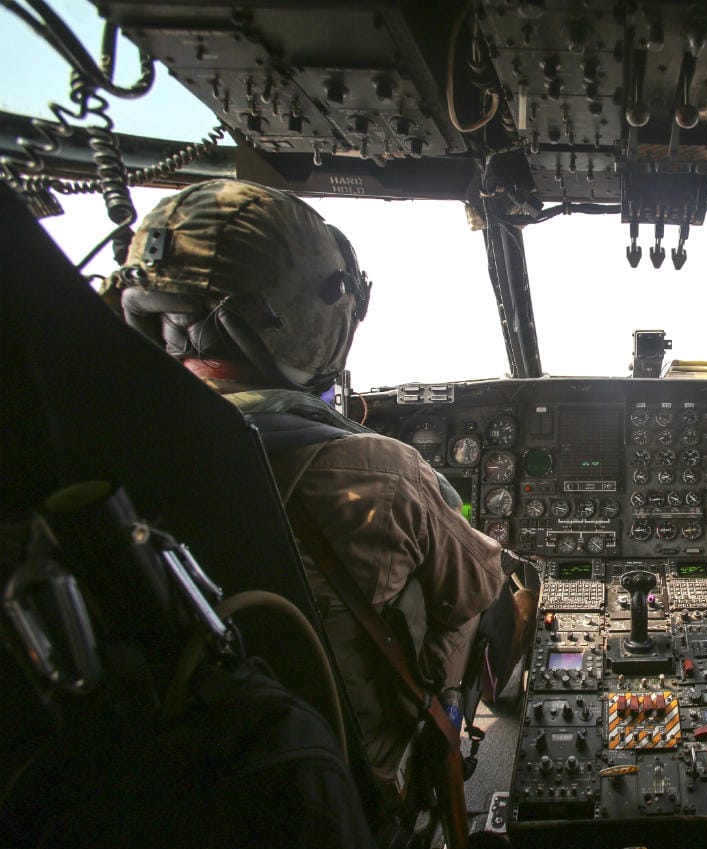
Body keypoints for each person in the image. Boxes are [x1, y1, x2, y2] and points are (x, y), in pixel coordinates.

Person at [111, 178, 530, 793]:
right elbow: (473, 584)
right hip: (367, 767)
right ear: (319, 316)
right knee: (502, 576)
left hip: (196, 782)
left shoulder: (99, 463)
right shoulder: (373, 472)